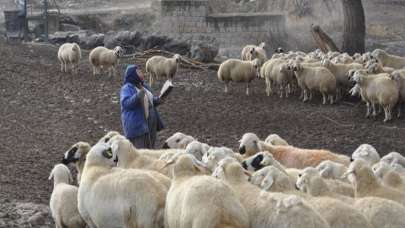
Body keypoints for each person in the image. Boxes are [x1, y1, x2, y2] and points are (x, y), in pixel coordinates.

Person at [120, 64, 165, 149]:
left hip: (149, 125)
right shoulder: (127, 88)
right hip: (138, 126)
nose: (142, 73)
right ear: (133, 74)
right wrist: (137, 96)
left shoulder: (143, 86)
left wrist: (158, 100)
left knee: (150, 150)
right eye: (139, 72)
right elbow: (126, 103)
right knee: (140, 153)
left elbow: (149, 101)